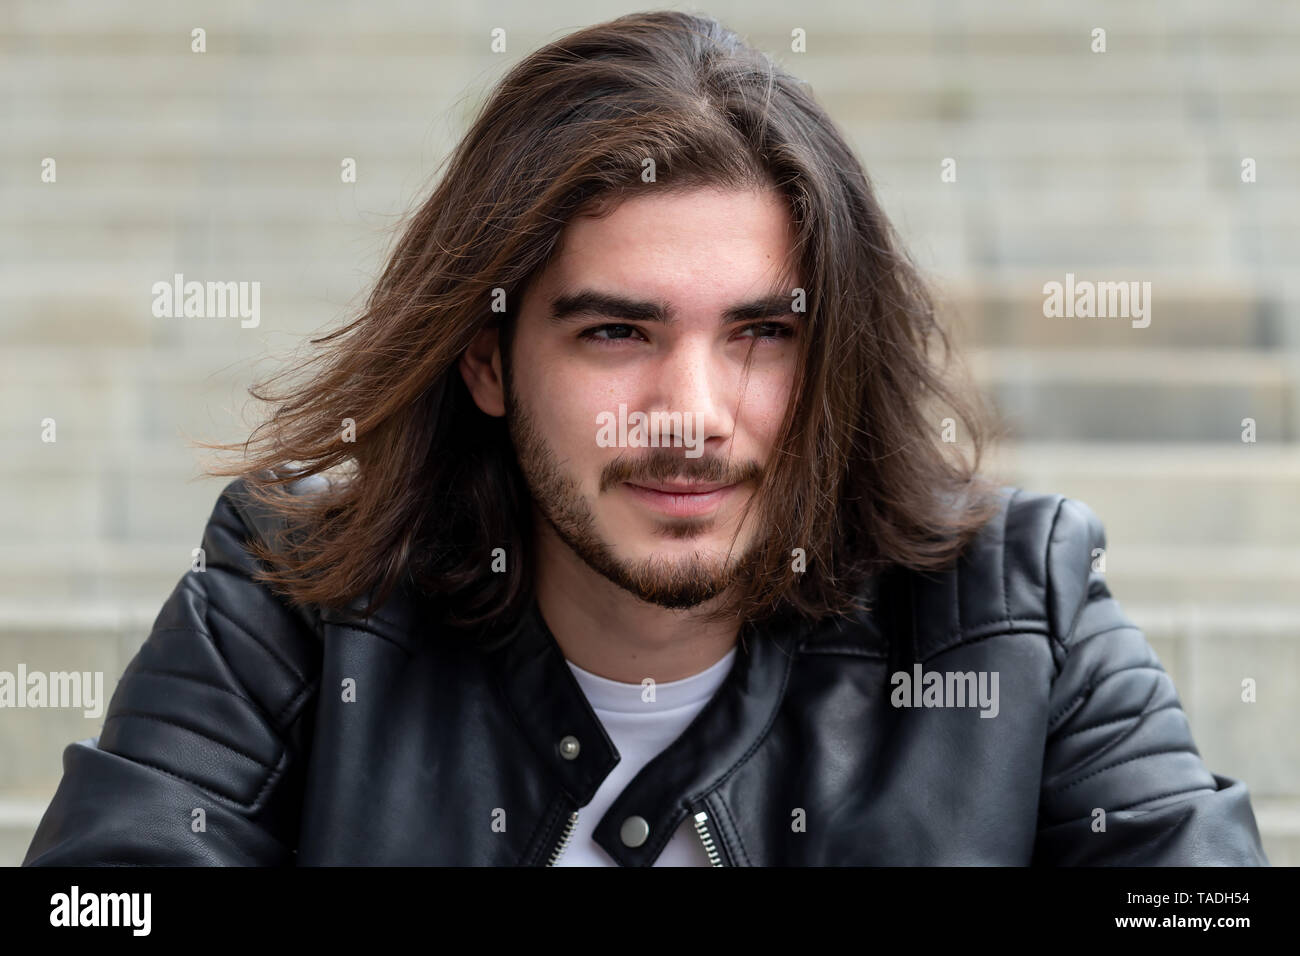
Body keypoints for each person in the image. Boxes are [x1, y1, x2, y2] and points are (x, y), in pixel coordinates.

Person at [24, 10, 1267, 866]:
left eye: (762, 336)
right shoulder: (296, 594)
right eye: (617, 332)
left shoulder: (1007, 608)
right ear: (486, 358)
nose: (689, 410)